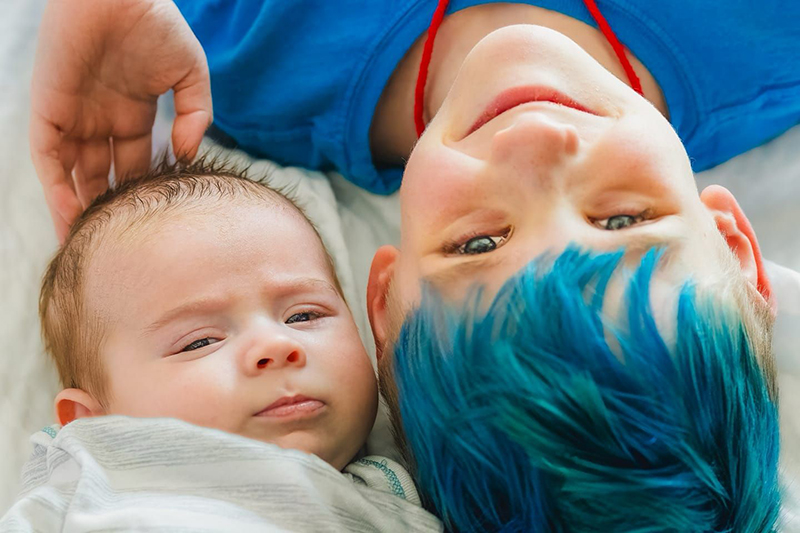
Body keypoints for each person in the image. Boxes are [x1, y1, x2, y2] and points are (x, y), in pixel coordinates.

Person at [29, 0, 800, 242]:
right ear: (731, 244)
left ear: (386, 301)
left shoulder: (251, 58)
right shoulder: (771, 34)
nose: (533, 148)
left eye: (481, 243)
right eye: (621, 221)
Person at [0, 159, 441, 531]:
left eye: (303, 315)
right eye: (200, 341)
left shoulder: (412, 492)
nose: (275, 345)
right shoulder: (81, 497)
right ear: (93, 424)